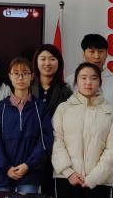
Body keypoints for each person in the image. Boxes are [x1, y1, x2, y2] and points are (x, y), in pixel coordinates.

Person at [52, 63, 113, 198]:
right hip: (66, 179)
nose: (88, 82)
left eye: (93, 78)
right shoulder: (63, 109)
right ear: (76, 81)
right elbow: (56, 141)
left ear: (100, 82)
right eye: (83, 78)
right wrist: (69, 172)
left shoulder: (109, 112)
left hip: (99, 182)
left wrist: (94, 178)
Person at [0, 57, 52, 194]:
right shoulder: (1, 108)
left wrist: (28, 165)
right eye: (16, 73)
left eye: (25, 73)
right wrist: (5, 167)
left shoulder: (39, 107)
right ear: (10, 76)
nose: (20, 77)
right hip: (4, 174)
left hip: (30, 173)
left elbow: (46, 139)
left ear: (32, 76)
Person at [79, 34, 113, 197]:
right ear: (83, 53)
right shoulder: (71, 81)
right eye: (91, 51)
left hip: (107, 158)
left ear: (107, 54)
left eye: (100, 51)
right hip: (77, 160)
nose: (96, 56)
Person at [31, 44, 72, 196]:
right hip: (30, 148)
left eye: (52, 59)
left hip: (55, 149)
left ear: (59, 63)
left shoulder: (66, 91)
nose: (47, 63)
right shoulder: (26, 88)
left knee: (50, 192)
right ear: (36, 62)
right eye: (43, 59)